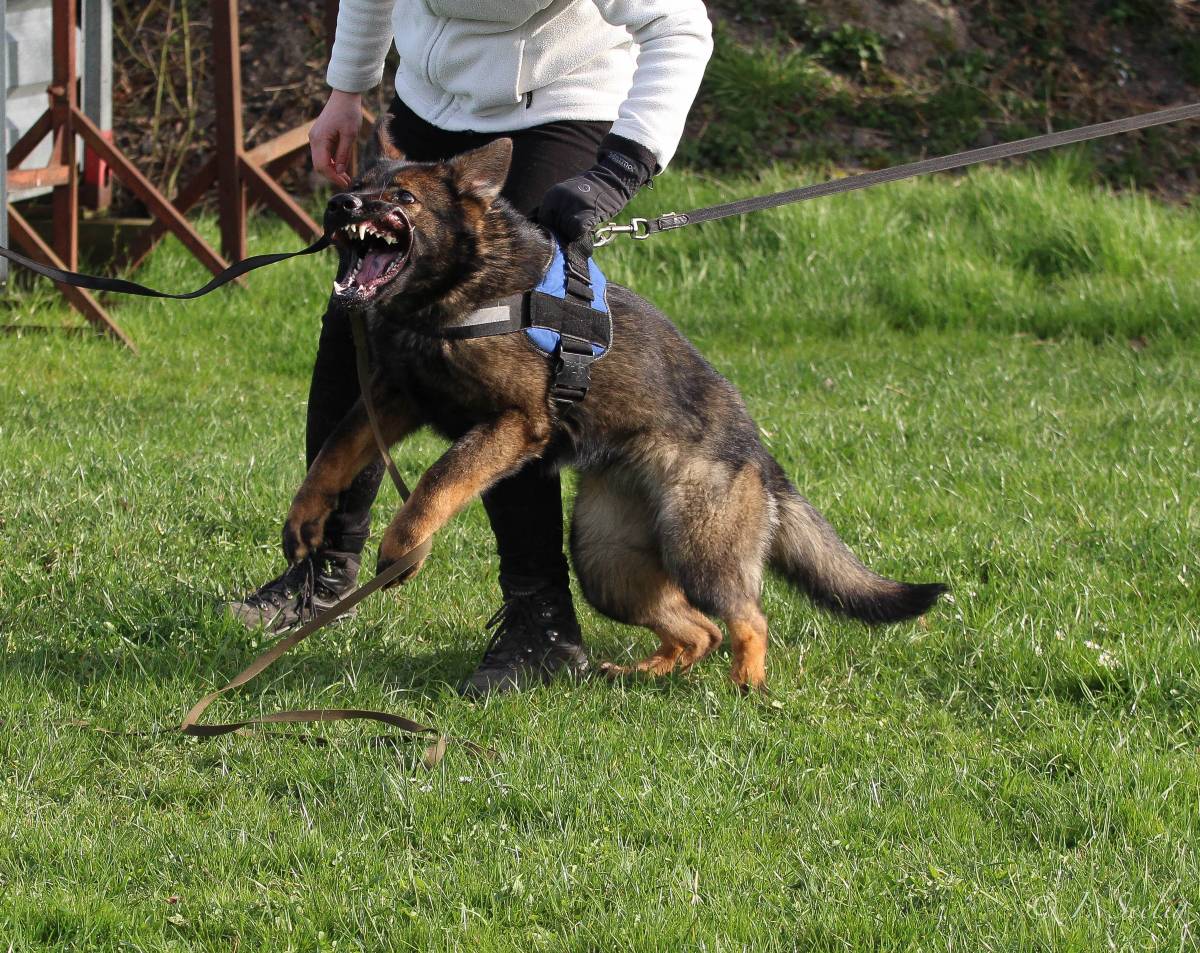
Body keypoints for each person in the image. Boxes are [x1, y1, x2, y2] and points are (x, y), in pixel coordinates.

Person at [228, 0, 713, 696]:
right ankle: (323, 570)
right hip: (432, 98)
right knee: (358, 317)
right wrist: (346, 88)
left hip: (555, 100)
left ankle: (541, 623)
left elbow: (680, 27)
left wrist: (616, 172)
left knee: (504, 360)